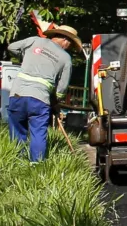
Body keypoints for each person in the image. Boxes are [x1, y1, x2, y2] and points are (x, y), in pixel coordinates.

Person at [5, 25, 79, 164]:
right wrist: (56, 102)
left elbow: (11, 47)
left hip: (17, 95)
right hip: (40, 100)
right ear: (65, 40)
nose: (69, 47)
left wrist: (25, 56)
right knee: (38, 133)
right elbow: (62, 88)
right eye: (70, 44)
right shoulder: (65, 58)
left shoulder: (34, 41)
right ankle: (36, 166)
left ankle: (16, 163)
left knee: (17, 130)